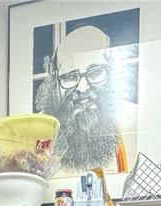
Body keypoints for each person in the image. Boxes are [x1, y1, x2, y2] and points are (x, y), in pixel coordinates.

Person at [35, 26, 136, 173]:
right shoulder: (37, 130)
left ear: (112, 71)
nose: (82, 88)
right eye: (70, 76)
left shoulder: (135, 119)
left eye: (95, 72)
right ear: (55, 82)